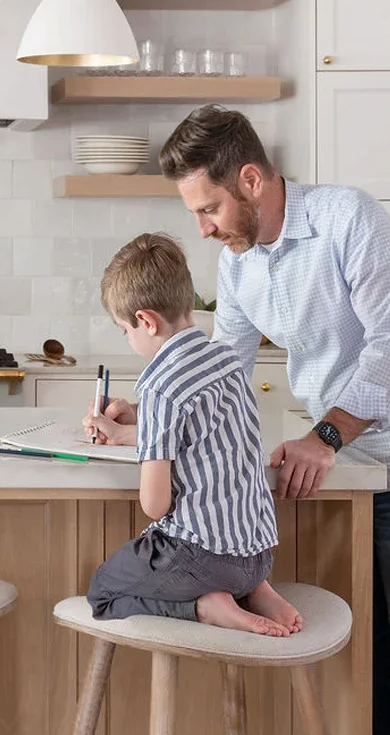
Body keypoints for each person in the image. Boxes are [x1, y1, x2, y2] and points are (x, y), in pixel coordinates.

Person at [85, 106, 390, 735]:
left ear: (250, 180)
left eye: (210, 208)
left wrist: (324, 435)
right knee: (372, 670)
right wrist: (144, 411)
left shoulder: (348, 222)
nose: (205, 227)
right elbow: (218, 362)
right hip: (337, 468)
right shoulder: (243, 263)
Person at [81, 233, 304, 638]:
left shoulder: (160, 385)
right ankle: (255, 589)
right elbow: (199, 436)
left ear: (146, 321)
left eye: (124, 330)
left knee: (102, 590)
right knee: (227, 557)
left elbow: (155, 504)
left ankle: (204, 606)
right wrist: (130, 427)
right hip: (256, 556)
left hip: (199, 560)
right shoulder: (227, 360)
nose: (129, 340)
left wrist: (142, 428)